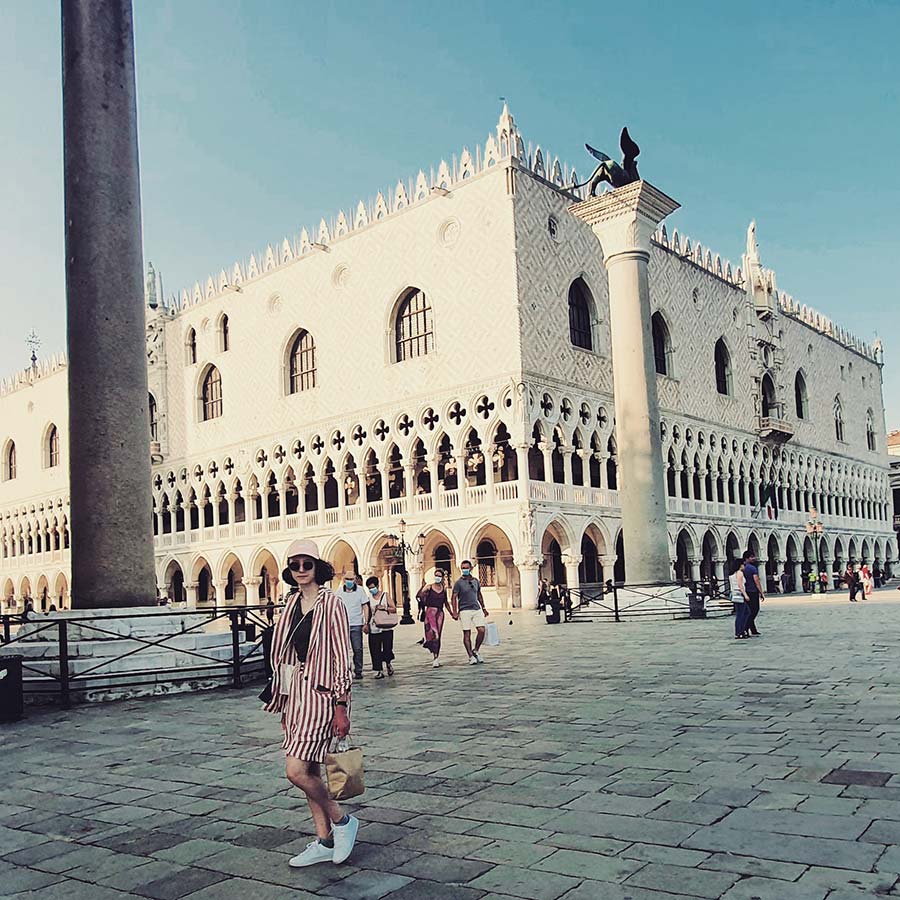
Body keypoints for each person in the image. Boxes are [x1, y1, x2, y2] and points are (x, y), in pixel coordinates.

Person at [262, 539, 358, 869]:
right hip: (294, 695)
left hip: (321, 693)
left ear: (319, 567)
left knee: (295, 770)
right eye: (294, 564)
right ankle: (324, 839)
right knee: (310, 769)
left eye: (307, 564)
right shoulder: (290, 605)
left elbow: (343, 654)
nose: (301, 570)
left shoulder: (331, 603)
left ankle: (343, 822)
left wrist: (341, 704)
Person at [451, 560, 489, 664]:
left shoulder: (476, 581)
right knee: (466, 633)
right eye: (463, 568)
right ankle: (470, 656)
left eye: (466, 568)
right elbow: (453, 597)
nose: (465, 570)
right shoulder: (458, 583)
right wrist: (454, 611)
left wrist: (484, 608)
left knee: (481, 630)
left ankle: (476, 650)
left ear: (471, 568)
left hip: (476, 609)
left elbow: (479, 595)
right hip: (464, 610)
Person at [335, 569, 370, 681]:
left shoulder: (360, 591)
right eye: (347, 579)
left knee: (357, 649)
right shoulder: (339, 591)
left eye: (351, 579)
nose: (349, 581)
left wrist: (366, 622)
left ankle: (358, 670)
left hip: (356, 624)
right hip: (343, 625)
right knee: (343, 650)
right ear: (344, 580)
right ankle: (344, 670)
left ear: (355, 579)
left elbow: (365, 606)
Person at [417, 569, 452, 667]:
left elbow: (446, 602)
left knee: (438, 636)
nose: (437, 577)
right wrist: (422, 587)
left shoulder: (443, 588)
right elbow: (419, 597)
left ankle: (436, 657)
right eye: (436, 575)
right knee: (434, 633)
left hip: (439, 613)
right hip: (430, 613)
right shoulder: (429, 587)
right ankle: (429, 645)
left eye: (439, 576)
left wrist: (452, 613)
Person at [365, 576, 396, 679]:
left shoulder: (385, 595)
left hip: (386, 626)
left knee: (387, 648)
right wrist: (365, 624)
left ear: (377, 585)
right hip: (374, 626)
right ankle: (378, 670)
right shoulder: (368, 598)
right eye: (369, 588)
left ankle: (388, 663)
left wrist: (384, 607)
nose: (371, 589)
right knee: (374, 649)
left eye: (373, 587)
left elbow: (394, 608)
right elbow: (367, 612)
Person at [742, 550, 764, 636]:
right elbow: (756, 581)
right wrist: (761, 592)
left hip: (745, 592)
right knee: (754, 610)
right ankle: (746, 627)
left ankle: (753, 629)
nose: (754, 558)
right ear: (747, 558)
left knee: (749, 611)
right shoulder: (752, 568)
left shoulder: (742, 568)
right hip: (753, 591)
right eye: (751, 557)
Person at [731, 560, 750, 639]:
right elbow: (740, 585)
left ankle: (740, 631)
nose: (744, 566)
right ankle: (739, 632)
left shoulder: (733, 574)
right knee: (741, 614)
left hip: (735, 594)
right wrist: (745, 595)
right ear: (740, 565)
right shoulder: (739, 573)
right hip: (739, 594)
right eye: (743, 565)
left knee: (745, 612)